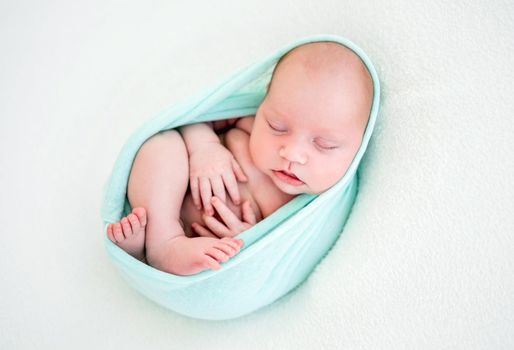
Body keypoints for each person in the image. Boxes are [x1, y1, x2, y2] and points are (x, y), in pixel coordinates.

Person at [106, 42, 374, 276]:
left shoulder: (310, 212)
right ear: (264, 102)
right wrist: (205, 147)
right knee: (162, 143)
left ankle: (146, 250)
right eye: (277, 126)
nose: (291, 154)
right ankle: (160, 241)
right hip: (167, 203)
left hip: (206, 246)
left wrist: (248, 239)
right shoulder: (245, 123)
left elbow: (278, 260)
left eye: (324, 145)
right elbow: (193, 121)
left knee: (218, 258)